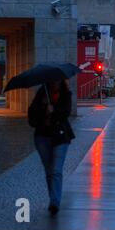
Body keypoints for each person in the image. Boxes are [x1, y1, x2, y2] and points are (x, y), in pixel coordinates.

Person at [28, 80, 75, 216]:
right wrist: (43, 108)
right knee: (49, 171)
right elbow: (31, 116)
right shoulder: (41, 95)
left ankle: (55, 202)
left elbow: (66, 112)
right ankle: (53, 198)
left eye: (57, 80)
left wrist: (53, 110)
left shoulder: (66, 94)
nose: (55, 83)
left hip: (60, 137)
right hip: (42, 137)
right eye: (53, 80)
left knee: (56, 170)